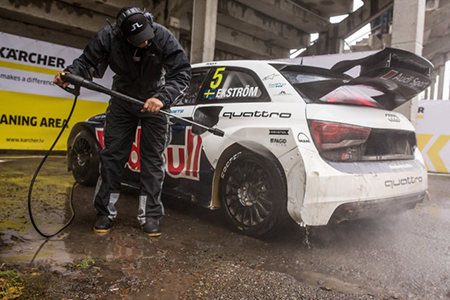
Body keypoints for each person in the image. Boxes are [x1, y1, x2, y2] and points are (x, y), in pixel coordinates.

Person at [54, 6, 191, 237]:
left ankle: (150, 216)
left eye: (147, 38)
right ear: (122, 35)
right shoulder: (108, 37)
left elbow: (182, 73)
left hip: (154, 101)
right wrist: (69, 75)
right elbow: (86, 62)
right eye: (138, 41)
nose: (145, 43)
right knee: (112, 157)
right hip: (122, 99)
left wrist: (162, 97)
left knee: (152, 160)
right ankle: (105, 213)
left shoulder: (162, 36)